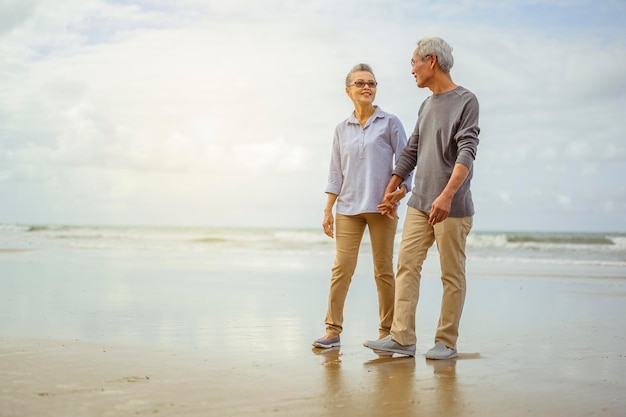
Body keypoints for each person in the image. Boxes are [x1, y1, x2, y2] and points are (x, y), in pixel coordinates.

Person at [363, 37, 480, 359]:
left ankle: (446, 342)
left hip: (451, 207)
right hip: (419, 203)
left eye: (413, 62)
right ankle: (402, 338)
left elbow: (467, 152)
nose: (411, 69)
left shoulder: (466, 100)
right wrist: (394, 184)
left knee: (451, 275)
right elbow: (412, 149)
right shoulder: (426, 105)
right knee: (407, 267)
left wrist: (446, 196)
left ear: (431, 61)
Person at [312, 63, 413, 349]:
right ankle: (332, 330)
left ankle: (387, 332)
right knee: (341, 268)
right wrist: (327, 209)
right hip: (347, 208)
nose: (367, 87)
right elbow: (336, 172)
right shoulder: (341, 129)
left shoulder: (390, 122)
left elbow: (406, 163)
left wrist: (400, 192)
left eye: (371, 83)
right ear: (348, 91)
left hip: (383, 208)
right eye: (360, 83)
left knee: (383, 271)